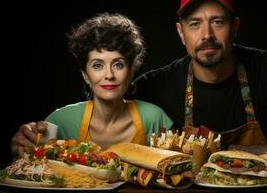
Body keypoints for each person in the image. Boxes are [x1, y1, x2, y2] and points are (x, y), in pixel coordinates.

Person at [127, 0, 267, 167]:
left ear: (234, 27)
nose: (207, 34)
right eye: (195, 24)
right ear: (181, 33)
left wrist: (222, 152)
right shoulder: (157, 84)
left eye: (218, 22)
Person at [11, 12, 173, 157]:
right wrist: (22, 148)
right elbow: (30, 167)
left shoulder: (154, 118)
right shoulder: (60, 121)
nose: (109, 75)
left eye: (118, 64)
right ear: (85, 75)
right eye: (97, 65)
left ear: (130, 72)